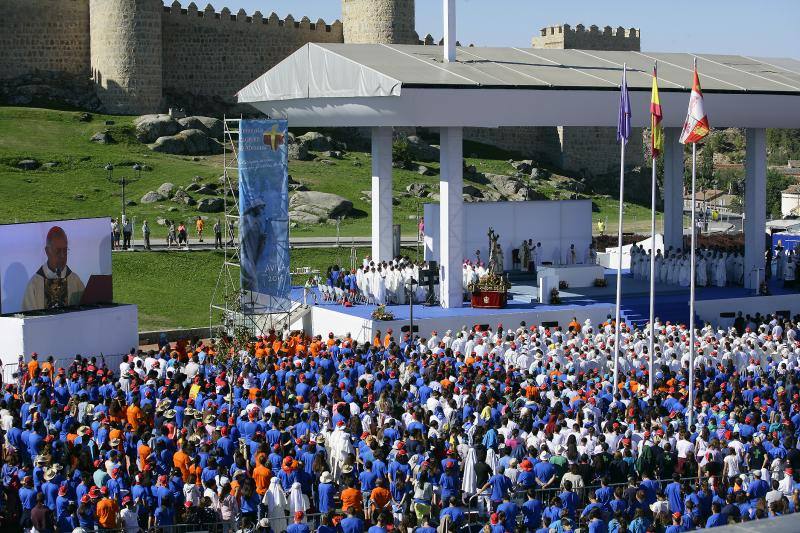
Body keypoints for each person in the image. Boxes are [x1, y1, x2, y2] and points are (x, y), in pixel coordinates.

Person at [22, 225, 86, 311]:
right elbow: (29, 320)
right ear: (47, 251)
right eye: (58, 251)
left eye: (65, 250)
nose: (62, 256)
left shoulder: (75, 281)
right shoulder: (34, 285)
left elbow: (85, 315)